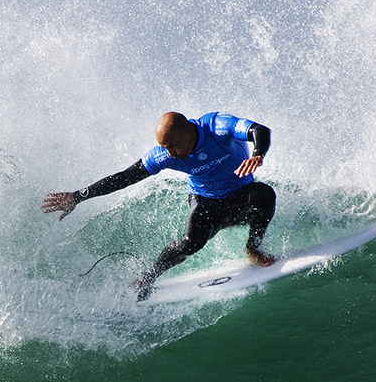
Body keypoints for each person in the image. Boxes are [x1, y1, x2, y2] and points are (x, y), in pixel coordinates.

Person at [40, 110, 276, 300]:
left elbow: (258, 130)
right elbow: (124, 177)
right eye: (164, 148)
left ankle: (253, 248)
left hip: (241, 194)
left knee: (264, 195)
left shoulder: (216, 126)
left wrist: (258, 154)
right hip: (207, 202)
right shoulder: (165, 154)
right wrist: (78, 196)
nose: (169, 154)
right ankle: (148, 277)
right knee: (190, 244)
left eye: (172, 146)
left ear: (187, 132)